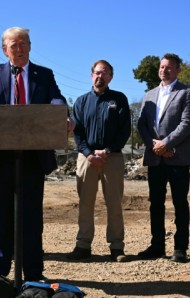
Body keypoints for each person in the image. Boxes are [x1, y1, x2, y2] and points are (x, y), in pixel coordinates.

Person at [0, 26, 67, 281]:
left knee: (31, 217)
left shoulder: (44, 74)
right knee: (0, 216)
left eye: (23, 44)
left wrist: (60, 112)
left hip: (32, 156)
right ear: (4, 49)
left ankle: (33, 272)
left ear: (30, 47)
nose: (19, 48)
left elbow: (56, 98)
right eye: (13, 45)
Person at [67, 60, 131, 262]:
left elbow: (124, 130)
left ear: (110, 77)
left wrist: (107, 150)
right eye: (96, 73)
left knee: (114, 204)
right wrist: (88, 152)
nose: (99, 77)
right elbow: (77, 132)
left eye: (104, 73)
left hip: (112, 158)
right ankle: (83, 245)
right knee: (85, 203)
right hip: (86, 158)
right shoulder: (81, 101)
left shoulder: (119, 99)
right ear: (91, 75)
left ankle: (117, 247)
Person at [137, 53, 190, 263]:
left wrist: (166, 144)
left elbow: (187, 124)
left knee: (180, 203)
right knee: (156, 203)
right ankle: (157, 245)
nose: (165, 70)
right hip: (156, 158)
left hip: (177, 157)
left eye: (169, 67)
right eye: (162, 67)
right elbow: (142, 124)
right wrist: (155, 145)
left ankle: (180, 248)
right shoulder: (149, 94)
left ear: (178, 70)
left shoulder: (186, 92)